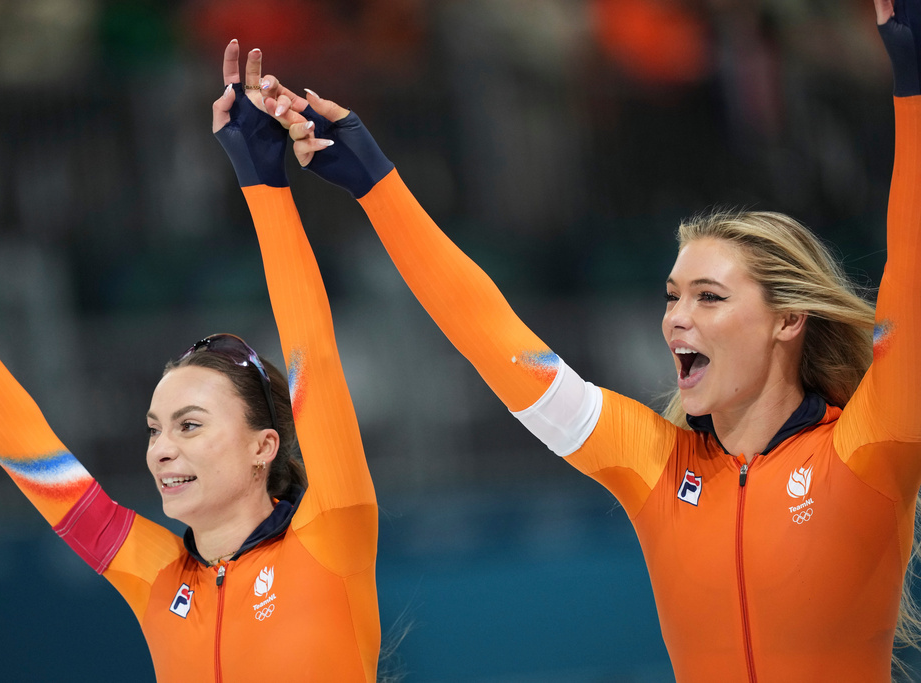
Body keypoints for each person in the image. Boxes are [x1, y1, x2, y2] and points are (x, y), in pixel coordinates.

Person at [254, 0, 921, 680]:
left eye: (709, 297)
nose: (676, 320)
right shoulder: (659, 466)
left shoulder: (866, 448)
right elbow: (494, 339)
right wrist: (375, 182)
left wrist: (913, 90)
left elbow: (911, 275)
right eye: (671, 297)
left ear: (788, 319)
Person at [0, 42, 379, 682]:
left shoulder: (334, 534)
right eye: (155, 429)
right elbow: (31, 456)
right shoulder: (153, 573)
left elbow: (312, 357)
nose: (159, 450)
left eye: (189, 425)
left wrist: (264, 184)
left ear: (264, 445)